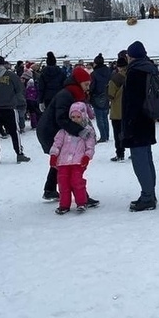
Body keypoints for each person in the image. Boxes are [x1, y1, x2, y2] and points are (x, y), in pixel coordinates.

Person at [36, 66, 99, 207]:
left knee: (61, 160)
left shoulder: (74, 93)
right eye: (86, 84)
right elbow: (61, 118)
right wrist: (79, 131)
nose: (88, 87)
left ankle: (50, 189)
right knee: (70, 162)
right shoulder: (67, 95)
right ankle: (82, 196)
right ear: (78, 83)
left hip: (54, 129)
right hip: (51, 131)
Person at [122, 41, 159, 212]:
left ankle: (147, 197)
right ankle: (150, 193)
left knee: (140, 160)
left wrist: (127, 124)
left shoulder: (135, 72)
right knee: (147, 158)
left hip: (136, 122)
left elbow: (132, 101)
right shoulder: (149, 68)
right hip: (147, 119)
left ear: (131, 56)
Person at [0, 55, 30, 164]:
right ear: (3, 63)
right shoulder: (11, 75)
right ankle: (19, 154)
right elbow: (19, 89)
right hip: (9, 107)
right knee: (14, 132)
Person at [50, 102, 96, 215]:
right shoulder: (64, 131)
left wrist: (86, 157)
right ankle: (64, 204)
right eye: (73, 117)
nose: (75, 119)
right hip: (63, 162)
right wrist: (54, 155)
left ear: (83, 116)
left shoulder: (87, 131)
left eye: (78, 117)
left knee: (76, 181)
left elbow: (90, 147)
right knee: (63, 183)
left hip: (78, 161)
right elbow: (57, 144)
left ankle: (81, 202)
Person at [108, 56, 127, 161]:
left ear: (118, 67)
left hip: (117, 111)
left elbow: (110, 94)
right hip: (129, 110)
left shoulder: (115, 78)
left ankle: (120, 153)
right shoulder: (132, 76)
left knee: (118, 133)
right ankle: (134, 152)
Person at [90, 53, 111, 143]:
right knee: (105, 117)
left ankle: (103, 136)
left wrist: (89, 92)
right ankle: (107, 134)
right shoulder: (108, 71)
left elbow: (92, 86)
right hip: (106, 95)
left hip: (97, 96)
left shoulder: (94, 74)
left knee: (99, 117)